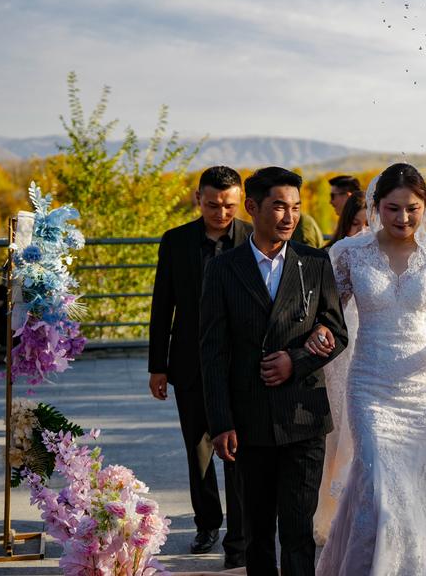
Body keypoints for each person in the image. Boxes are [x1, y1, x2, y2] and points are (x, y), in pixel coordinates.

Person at [313, 163, 426, 575]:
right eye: (393, 208)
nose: (403, 218)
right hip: (370, 386)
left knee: (418, 489)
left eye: (412, 209)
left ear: (425, 207)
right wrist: (319, 335)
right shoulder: (349, 254)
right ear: (376, 206)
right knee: (380, 484)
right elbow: (326, 315)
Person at [200, 166, 348, 576]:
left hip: (303, 415)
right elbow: (212, 352)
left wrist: (295, 361)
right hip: (249, 420)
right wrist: (221, 423)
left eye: (296, 207)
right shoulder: (223, 269)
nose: (290, 216)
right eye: (279, 206)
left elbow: (337, 331)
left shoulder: (314, 262)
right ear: (252, 207)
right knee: (258, 531)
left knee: (298, 531)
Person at [148, 166, 251, 567]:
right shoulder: (175, 241)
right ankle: (207, 524)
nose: (221, 213)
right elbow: (163, 305)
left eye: (229, 205)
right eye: (212, 205)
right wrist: (158, 366)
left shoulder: (252, 237)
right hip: (189, 361)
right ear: (198, 199)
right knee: (199, 450)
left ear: (241, 201)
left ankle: (240, 534)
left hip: (240, 365)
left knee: (240, 451)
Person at [312, 190, 367, 544]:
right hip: (341, 353)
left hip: (373, 350)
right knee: (338, 432)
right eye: (355, 224)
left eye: (368, 224)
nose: (362, 232)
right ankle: (331, 512)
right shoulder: (337, 256)